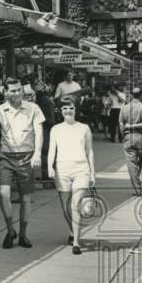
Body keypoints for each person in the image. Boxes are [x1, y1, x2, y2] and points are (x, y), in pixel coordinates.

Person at [0, 77, 46, 248]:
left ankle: (23, 235)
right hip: (6, 157)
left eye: (19, 89)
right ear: (6, 92)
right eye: (12, 90)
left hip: (26, 156)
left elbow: (39, 132)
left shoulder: (33, 108)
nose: (17, 93)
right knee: (3, 194)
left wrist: (37, 154)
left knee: (25, 199)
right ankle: (10, 230)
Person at [47, 96, 96, 255]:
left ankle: (76, 242)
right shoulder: (56, 129)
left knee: (75, 205)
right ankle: (72, 231)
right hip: (62, 169)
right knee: (66, 208)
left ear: (76, 110)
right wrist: (50, 166)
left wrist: (92, 172)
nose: (68, 111)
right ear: (60, 110)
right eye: (65, 108)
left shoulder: (84, 128)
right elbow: (51, 151)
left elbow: (90, 151)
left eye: (71, 108)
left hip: (81, 168)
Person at [118, 87, 142, 196]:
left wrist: (123, 135)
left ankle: (137, 189)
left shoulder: (124, 108)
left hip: (128, 137)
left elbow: (121, 124)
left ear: (131, 95)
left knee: (131, 164)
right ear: (141, 95)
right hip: (141, 137)